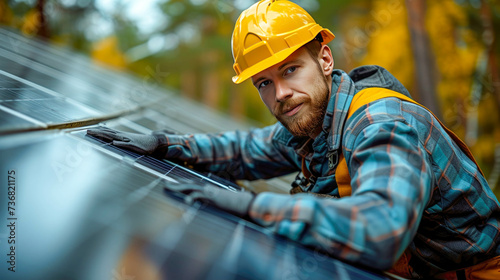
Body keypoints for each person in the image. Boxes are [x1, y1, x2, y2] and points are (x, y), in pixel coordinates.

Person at [87, 0, 500, 278]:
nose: (280, 94)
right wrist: (164, 144)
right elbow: (245, 151)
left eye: (289, 70)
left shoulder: (381, 127)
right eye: (264, 83)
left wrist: (257, 207)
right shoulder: (315, 119)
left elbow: (381, 231)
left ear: (324, 59)